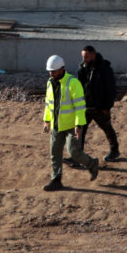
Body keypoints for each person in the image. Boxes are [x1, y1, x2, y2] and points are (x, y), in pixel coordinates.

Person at [41, 54, 99, 191]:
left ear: (61, 69)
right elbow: (49, 104)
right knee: (55, 153)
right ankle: (56, 179)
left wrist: (79, 126)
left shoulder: (73, 83)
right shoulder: (50, 83)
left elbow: (80, 107)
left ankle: (91, 164)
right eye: (49, 71)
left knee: (74, 153)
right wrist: (47, 120)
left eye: (53, 71)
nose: (51, 73)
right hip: (57, 125)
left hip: (72, 126)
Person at [78, 45, 120, 162]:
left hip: (100, 107)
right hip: (86, 106)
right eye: (83, 57)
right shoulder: (83, 68)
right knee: (80, 129)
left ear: (93, 55)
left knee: (107, 128)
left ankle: (114, 150)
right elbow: (79, 85)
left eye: (86, 57)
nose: (84, 59)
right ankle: (77, 155)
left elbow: (111, 90)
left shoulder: (105, 69)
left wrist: (107, 107)